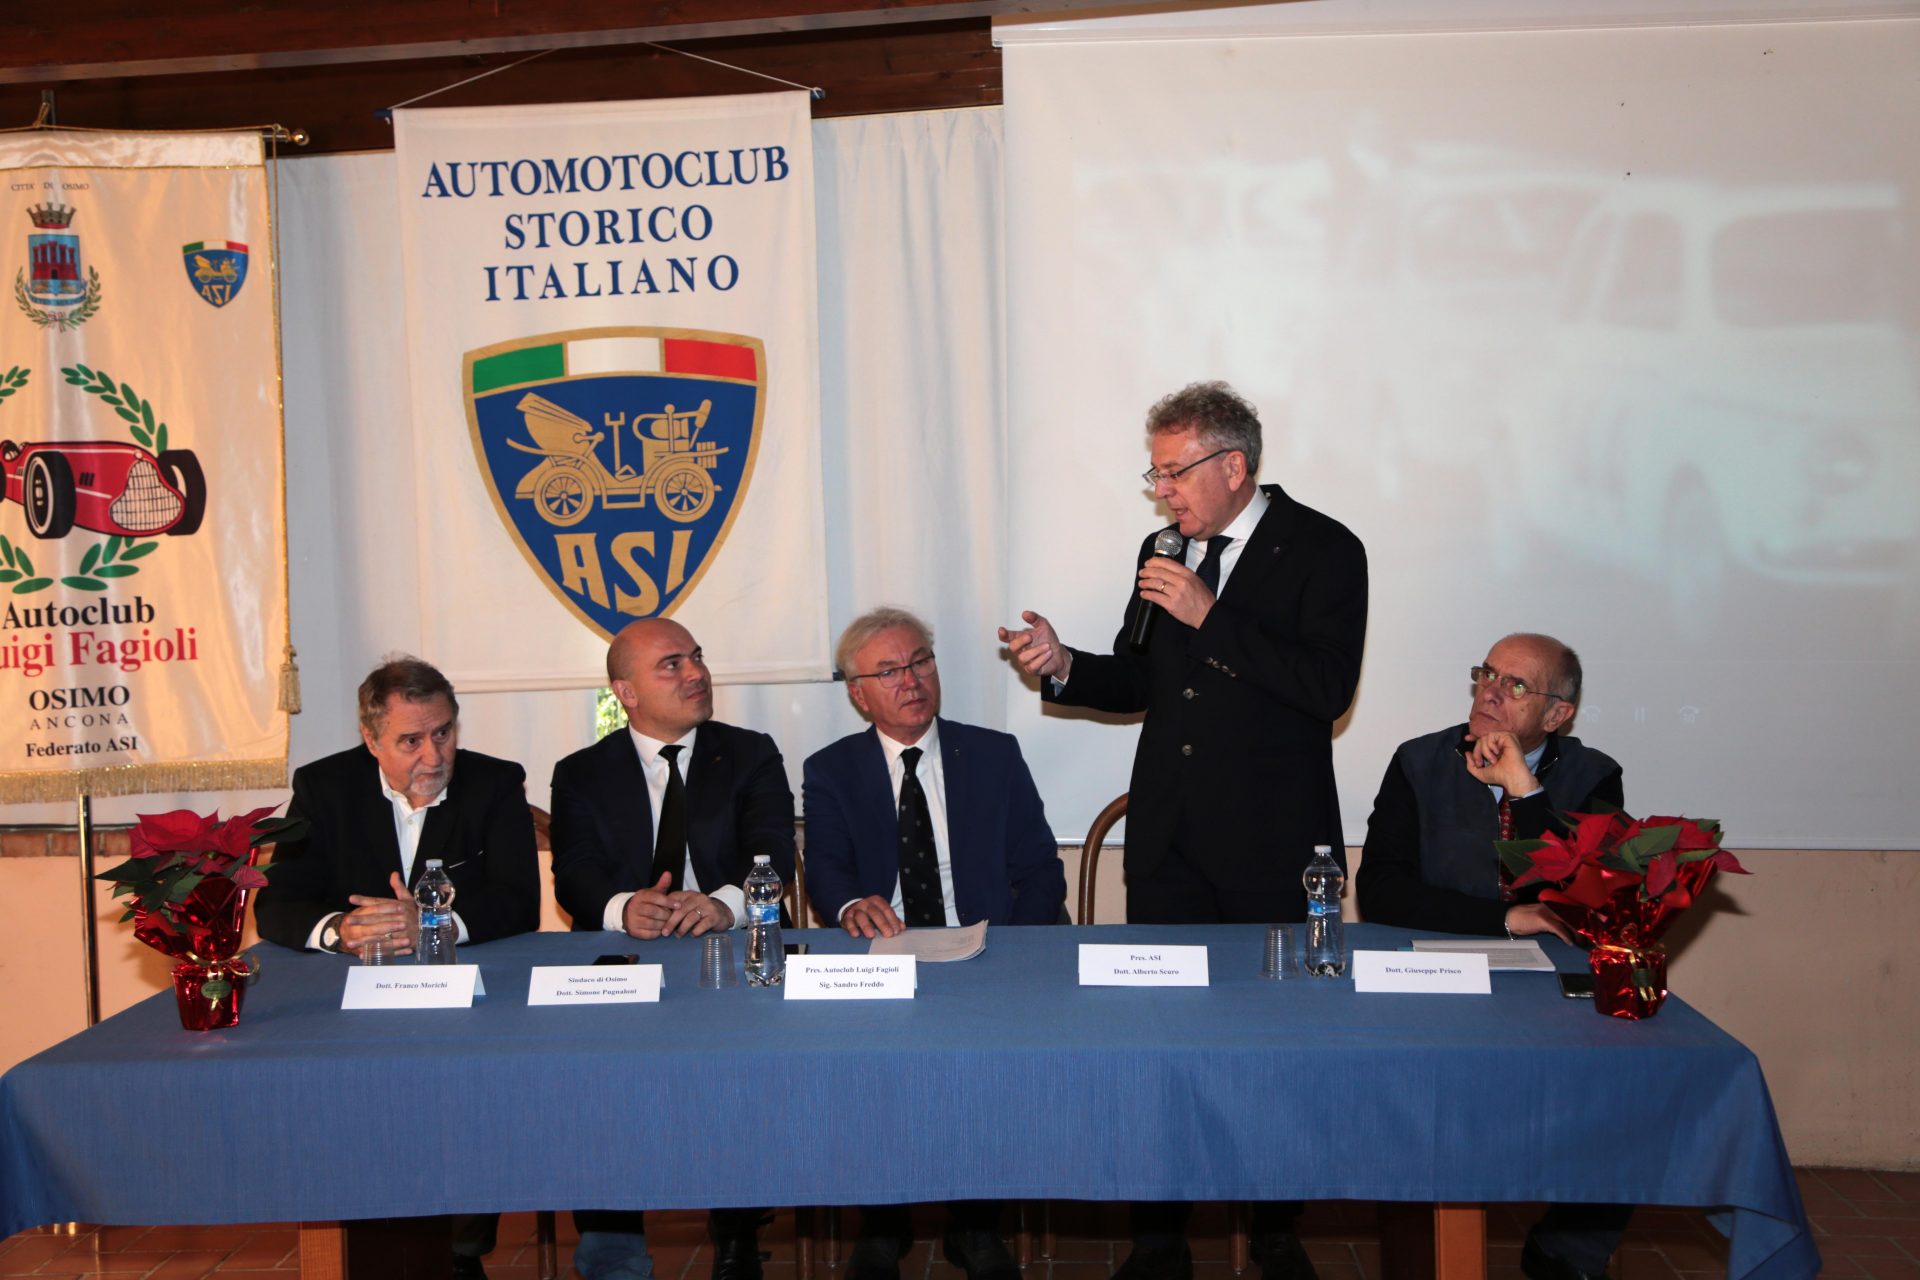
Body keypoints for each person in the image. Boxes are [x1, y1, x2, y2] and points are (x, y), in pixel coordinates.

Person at [999, 381, 1367, 1280]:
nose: (1161, 492)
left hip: (1273, 844)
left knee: (1275, 1043)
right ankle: (1160, 1233)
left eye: (1174, 472)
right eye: (1155, 474)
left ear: (1233, 466)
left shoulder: (1325, 549)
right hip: (1170, 841)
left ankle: (1273, 1226)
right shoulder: (1162, 549)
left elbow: (1326, 690)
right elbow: (1141, 679)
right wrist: (1063, 665)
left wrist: (1213, 615)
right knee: (1159, 1038)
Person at [254, 655, 539, 1280]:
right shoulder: (324, 787)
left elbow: (519, 901)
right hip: (353, 1003)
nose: (434, 755)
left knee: (476, 1084)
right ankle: (363, 1232)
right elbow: (276, 905)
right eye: (411, 741)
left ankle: (462, 1253)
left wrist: (433, 924)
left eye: (444, 732)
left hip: (463, 1002)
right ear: (371, 738)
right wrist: (341, 929)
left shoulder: (494, 783)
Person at [804, 607, 1066, 1280]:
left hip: (985, 947)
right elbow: (825, 869)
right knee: (865, 1064)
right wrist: (850, 904)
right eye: (889, 671)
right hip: (884, 952)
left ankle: (974, 1223)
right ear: (858, 693)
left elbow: (1041, 869)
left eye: (920, 661)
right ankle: (882, 1223)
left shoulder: (993, 754)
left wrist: (1014, 952)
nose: (911, 680)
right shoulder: (831, 769)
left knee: (984, 1062)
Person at [1357, 632, 1629, 1280]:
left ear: (1557, 714)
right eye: (1487, 674)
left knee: (1624, 1083)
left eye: (1515, 685)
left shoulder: (1595, 776)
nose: (1489, 692)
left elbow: (1590, 900)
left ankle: (1567, 1249)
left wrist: (1525, 793)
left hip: (1549, 981)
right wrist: (1502, 920)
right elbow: (1382, 890)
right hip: (1436, 969)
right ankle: (1419, 1235)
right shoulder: (1419, 761)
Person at [548, 617, 795, 1280]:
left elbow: (773, 850)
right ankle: (611, 1239)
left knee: (740, 1070)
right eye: (672, 665)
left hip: (730, 949)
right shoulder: (581, 772)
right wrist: (622, 908)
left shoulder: (749, 753)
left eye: (697, 657)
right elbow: (574, 873)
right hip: (625, 958)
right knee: (597, 1077)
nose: (696, 673)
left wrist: (725, 904)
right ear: (626, 692)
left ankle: (738, 1234)